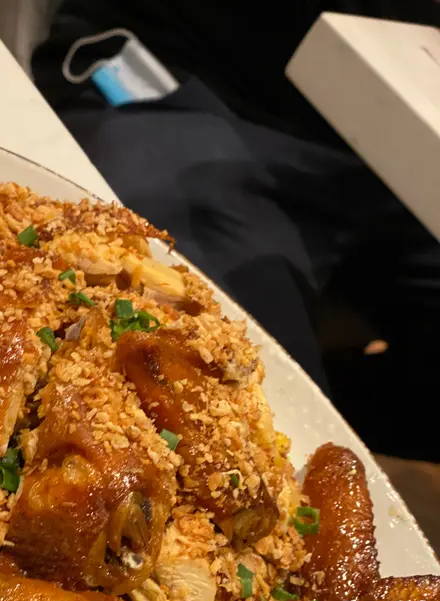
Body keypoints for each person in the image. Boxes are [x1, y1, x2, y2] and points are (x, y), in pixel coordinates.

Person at [32, 1, 440, 460]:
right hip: (191, 83)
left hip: (397, 160)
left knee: (291, 420)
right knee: (216, 397)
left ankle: (336, 410)